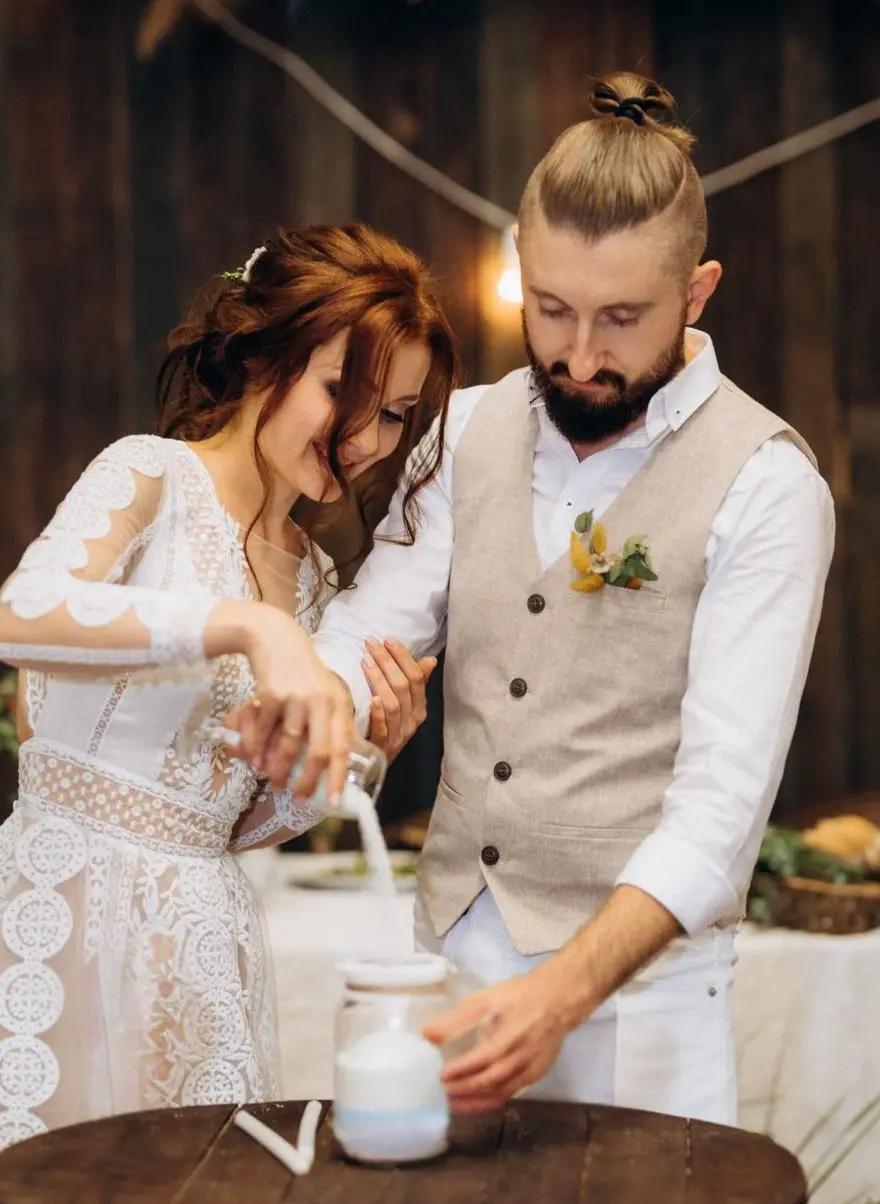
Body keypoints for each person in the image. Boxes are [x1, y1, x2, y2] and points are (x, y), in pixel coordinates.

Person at [253, 72, 836, 1126]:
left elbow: (719, 809)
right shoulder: (463, 429)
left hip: (641, 1007)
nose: (576, 354)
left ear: (698, 291)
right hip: (452, 964)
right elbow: (366, 627)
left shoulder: (767, 485)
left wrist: (561, 995)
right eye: (551, 308)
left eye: (620, 318)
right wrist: (316, 703)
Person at [0, 222, 454, 1204]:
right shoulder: (150, 477)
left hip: (196, 948)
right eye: (344, 394)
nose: (366, 439)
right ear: (265, 355)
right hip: (62, 915)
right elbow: (22, 614)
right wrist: (247, 623)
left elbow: (236, 813)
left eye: (396, 414)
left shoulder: (314, 576)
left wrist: (368, 747)